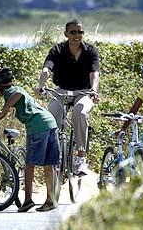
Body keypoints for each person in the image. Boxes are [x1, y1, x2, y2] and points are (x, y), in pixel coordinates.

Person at [34, 19, 100, 176]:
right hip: (61, 91)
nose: (77, 35)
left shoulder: (90, 51)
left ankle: (81, 158)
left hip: (83, 92)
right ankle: (53, 155)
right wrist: (40, 85)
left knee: (80, 113)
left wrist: (94, 90)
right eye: (73, 32)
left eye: (80, 32)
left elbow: (95, 74)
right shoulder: (57, 49)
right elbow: (46, 70)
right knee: (51, 117)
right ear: (66, 34)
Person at [0, 67, 59, 213]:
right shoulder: (16, 87)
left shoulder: (10, 92)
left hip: (37, 125)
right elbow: (16, 97)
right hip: (50, 122)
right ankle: (51, 200)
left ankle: (27, 200)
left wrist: (4, 110)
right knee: (48, 165)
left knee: (29, 165)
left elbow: (17, 95)